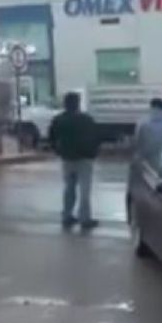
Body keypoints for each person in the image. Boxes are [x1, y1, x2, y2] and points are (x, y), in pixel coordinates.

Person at [48, 92, 100, 231]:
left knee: (69, 188)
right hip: (84, 159)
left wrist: (58, 151)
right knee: (84, 190)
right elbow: (96, 137)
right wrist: (93, 153)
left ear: (65, 104)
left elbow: (52, 138)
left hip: (67, 158)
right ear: (77, 103)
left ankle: (67, 215)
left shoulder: (58, 120)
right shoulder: (86, 119)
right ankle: (85, 218)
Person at [134, 98, 162, 167]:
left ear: (151, 107)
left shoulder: (143, 121)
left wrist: (138, 153)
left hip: (147, 155)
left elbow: (138, 138)